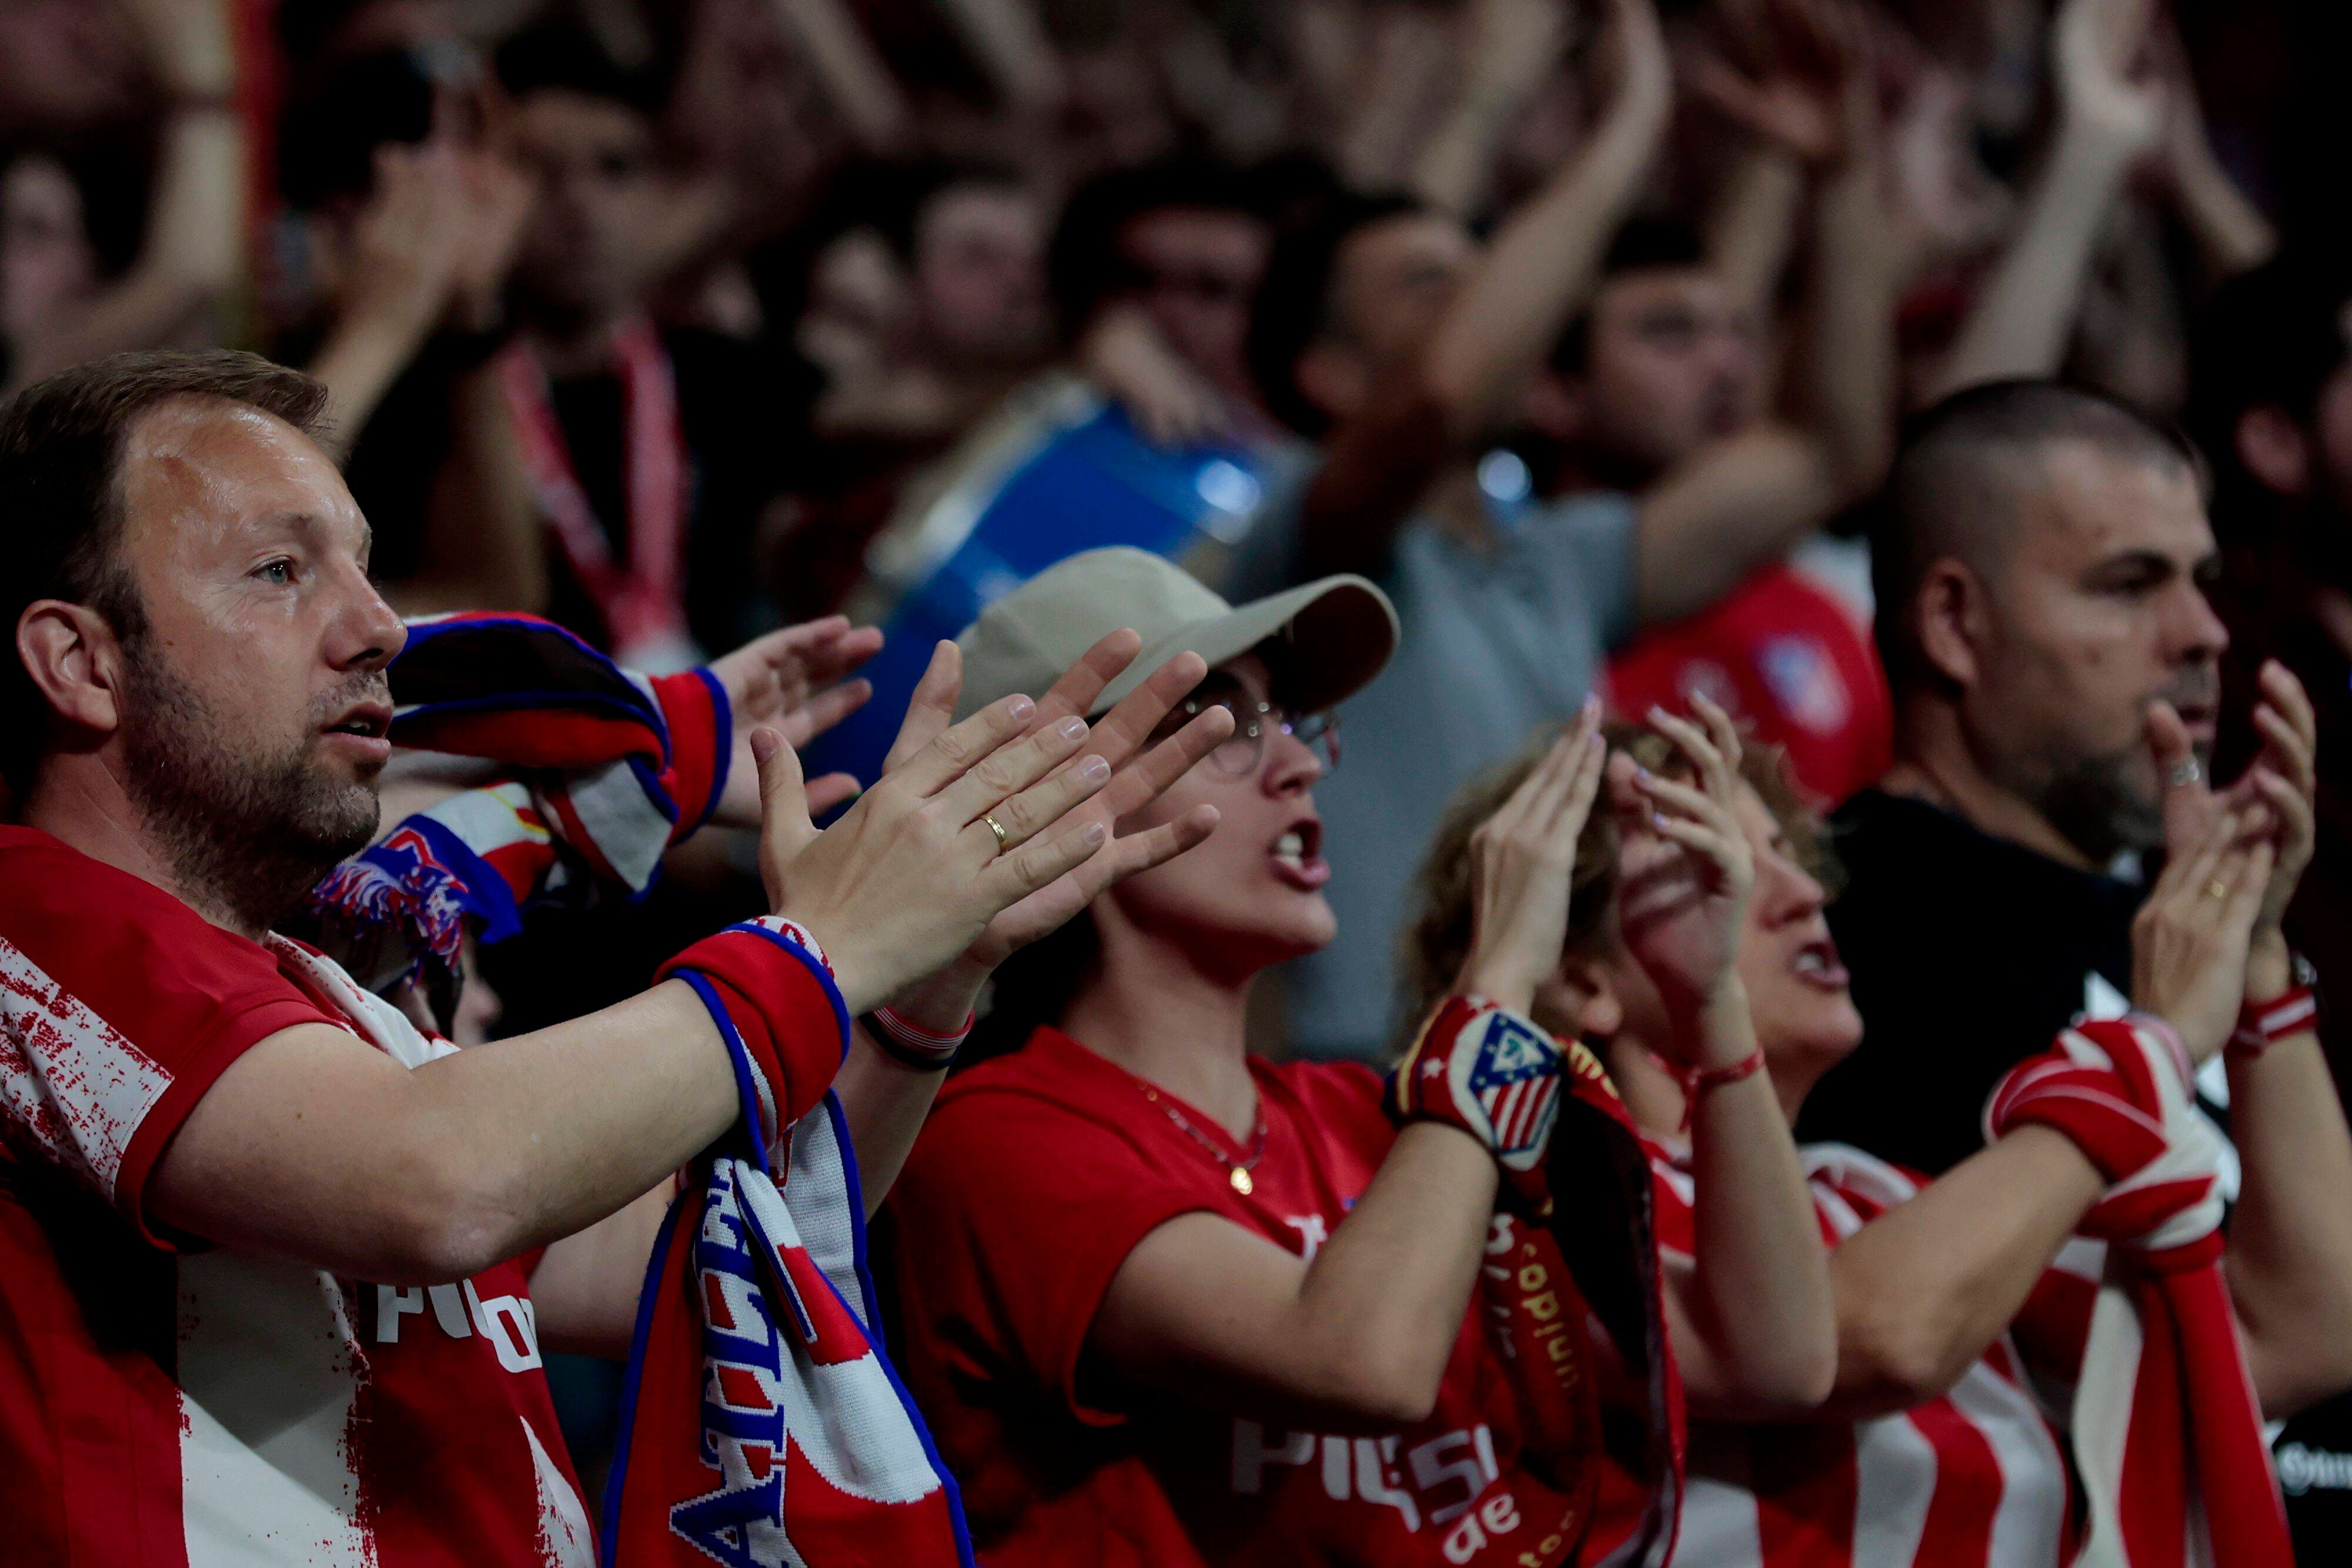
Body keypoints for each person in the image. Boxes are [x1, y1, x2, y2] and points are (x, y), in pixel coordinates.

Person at [0, 350, 1229, 1563]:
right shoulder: (32, 922)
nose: (379, 629)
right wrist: (825, 943)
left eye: (366, 574)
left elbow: (690, 1250)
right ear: (79, 662)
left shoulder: (320, 1007)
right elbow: (435, 1178)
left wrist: (922, 979)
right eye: (279, 572)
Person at [880, 546, 1837, 1567]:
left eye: (1288, 721)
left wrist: (1712, 1000)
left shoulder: (1356, 1113)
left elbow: (1766, 1356)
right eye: (1225, 725)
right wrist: (1497, 982)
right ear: (1047, 807)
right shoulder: (993, 1145)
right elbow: (1361, 1361)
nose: (1298, 762)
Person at [1404, 703, 2352, 1564]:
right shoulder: (1546, 1206)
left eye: (1785, 853)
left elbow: (2296, 1330)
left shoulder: (1876, 1200)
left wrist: (2255, 956)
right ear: (1581, 979)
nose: (1797, 893)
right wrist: (2147, 1052)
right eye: (1711, 862)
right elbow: (1863, 1341)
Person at [1232, 0, 1893, 1061]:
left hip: (1540, 1077)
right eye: (1430, 284)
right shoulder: (1305, 537)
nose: (1495, 303)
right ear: (1329, 373)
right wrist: (1626, 131)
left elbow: (1829, 452)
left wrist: (1844, 174)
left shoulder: (1548, 558)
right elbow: (1437, 398)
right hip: (1367, 1088)